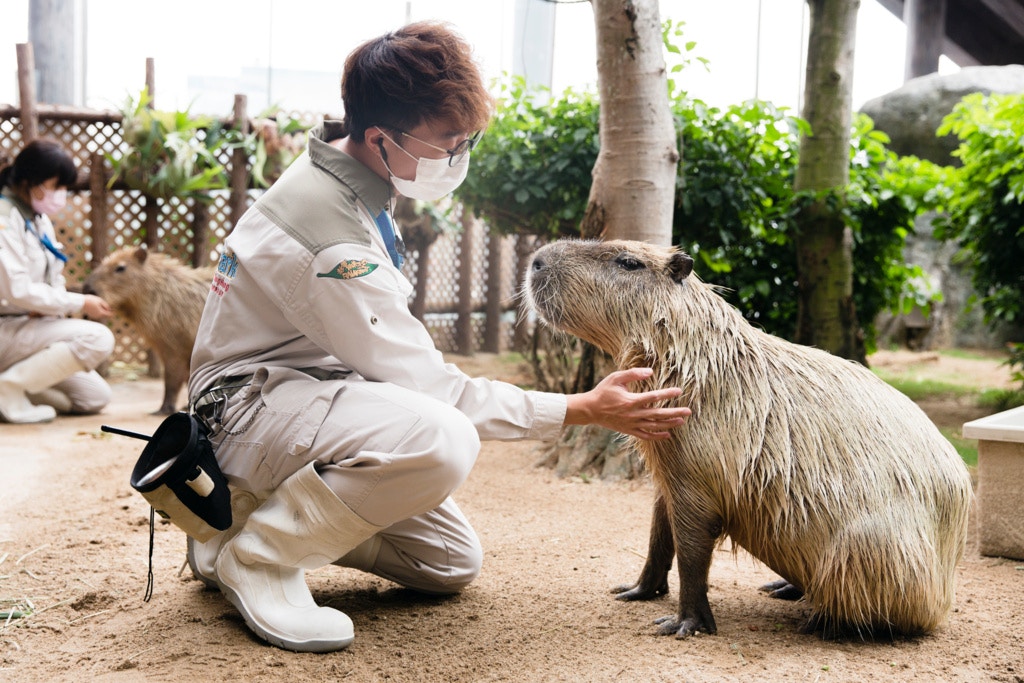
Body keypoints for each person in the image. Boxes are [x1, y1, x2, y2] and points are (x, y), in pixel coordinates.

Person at [186, 21, 691, 654]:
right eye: (448, 143)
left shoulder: (352, 177)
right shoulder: (331, 238)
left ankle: (232, 526)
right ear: (380, 137)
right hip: (245, 411)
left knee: (447, 561)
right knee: (442, 436)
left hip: (300, 394)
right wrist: (580, 409)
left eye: (465, 139)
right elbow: (429, 388)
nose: (458, 156)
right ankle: (259, 557)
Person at [0, 138, 115, 423]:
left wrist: (51, 308)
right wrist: (81, 303)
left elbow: (52, 280)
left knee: (93, 397)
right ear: (30, 181)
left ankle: (11, 389)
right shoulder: (4, 217)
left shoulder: (37, 219)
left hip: (29, 327)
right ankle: (9, 388)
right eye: (56, 186)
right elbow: (18, 290)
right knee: (99, 338)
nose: (61, 194)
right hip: (7, 327)